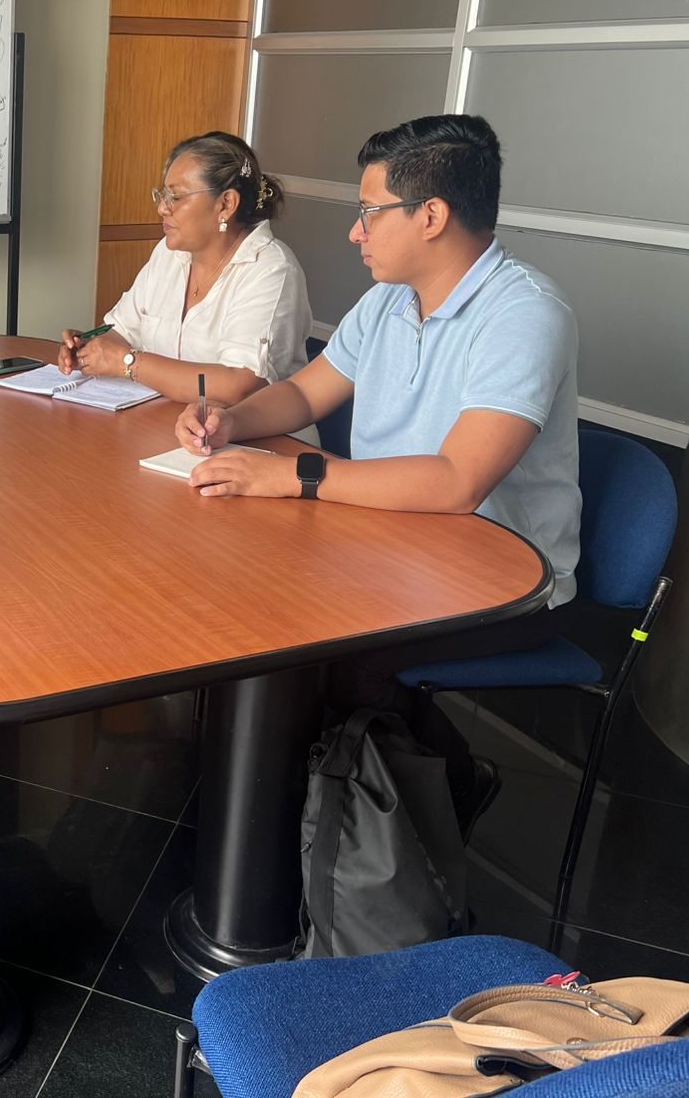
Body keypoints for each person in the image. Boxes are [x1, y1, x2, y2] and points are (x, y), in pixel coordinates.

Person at [176, 114, 581, 836]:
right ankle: (289, 805)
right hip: (387, 539)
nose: (355, 233)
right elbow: (305, 395)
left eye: (370, 213)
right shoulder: (389, 299)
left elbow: (457, 483)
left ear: (432, 216)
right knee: (241, 595)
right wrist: (233, 420)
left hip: (500, 575)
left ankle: (436, 789)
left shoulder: (524, 315)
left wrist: (297, 474)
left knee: (324, 653)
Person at [58, 132, 311, 405]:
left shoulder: (271, 270)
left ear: (226, 204)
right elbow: (122, 331)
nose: (162, 209)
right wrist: (89, 349)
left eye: (176, 197)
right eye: (162, 195)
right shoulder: (169, 254)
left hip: (243, 430)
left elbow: (238, 386)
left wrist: (127, 363)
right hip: (165, 419)